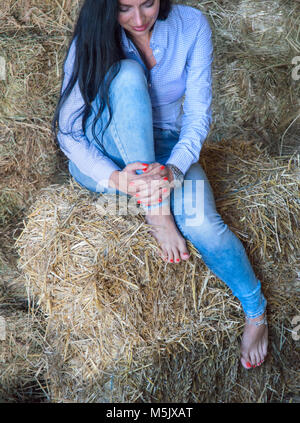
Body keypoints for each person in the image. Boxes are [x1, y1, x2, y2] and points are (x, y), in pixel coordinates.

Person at [52, 0, 268, 370]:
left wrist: (173, 170)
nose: (138, 19)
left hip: (167, 150)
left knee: (203, 224)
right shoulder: (92, 34)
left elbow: (198, 115)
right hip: (107, 151)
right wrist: (117, 178)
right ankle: (157, 215)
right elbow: (69, 131)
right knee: (128, 74)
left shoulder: (192, 25)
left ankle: (256, 314)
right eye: (124, 8)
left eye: (148, 3)